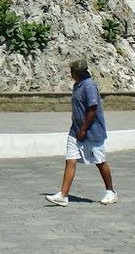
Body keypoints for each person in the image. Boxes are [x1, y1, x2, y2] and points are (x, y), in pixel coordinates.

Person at [45, 59, 117, 206]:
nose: (70, 74)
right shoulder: (77, 85)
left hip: (91, 131)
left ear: (77, 73)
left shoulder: (89, 85)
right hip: (75, 129)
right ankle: (63, 195)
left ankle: (111, 191)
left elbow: (92, 110)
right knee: (70, 159)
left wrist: (84, 129)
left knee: (99, 161)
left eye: (72, 71)